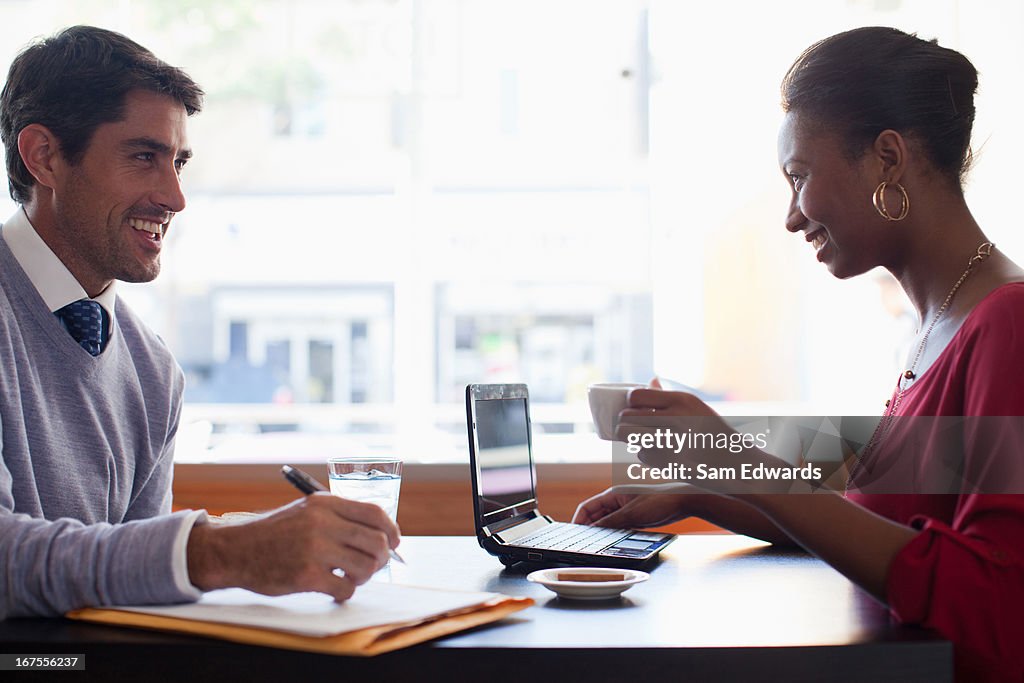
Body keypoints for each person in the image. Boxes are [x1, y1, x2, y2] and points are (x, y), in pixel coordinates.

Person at [573, 27, 1024, 683]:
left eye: (800, 176)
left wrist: (736, 459)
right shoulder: (932, 327)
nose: (791, 215)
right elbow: (881, 529)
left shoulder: (1006, 324)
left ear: (888, 160)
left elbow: (997, 608)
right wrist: (702, 488)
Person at [0, 25, 400, 618]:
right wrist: (220, 553)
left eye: (178, 162)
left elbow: (127, 596)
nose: (175, 196)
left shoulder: (152, 369)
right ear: (45, 157)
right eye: (143, 157)